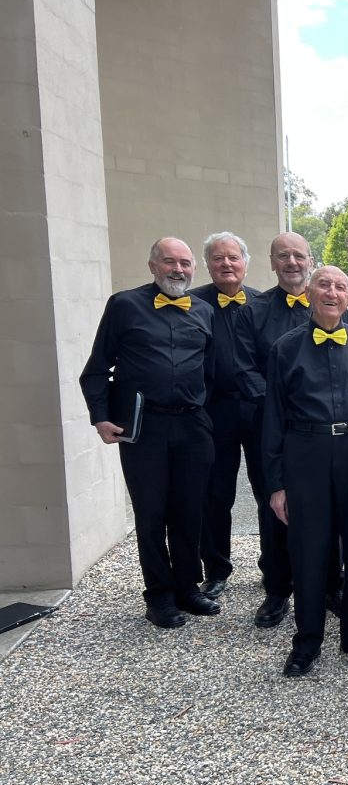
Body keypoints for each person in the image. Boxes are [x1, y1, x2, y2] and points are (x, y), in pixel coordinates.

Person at [262, 266, 348, 676]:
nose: (332, 292)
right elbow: (273, 419)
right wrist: (276, 484)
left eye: (341, 287)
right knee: (309, 553)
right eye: (324, 285)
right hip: (307, 455)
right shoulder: (284, 349)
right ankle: (306, 642)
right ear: (309, 292)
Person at [79, 237, 219, 628]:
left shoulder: (204, 311)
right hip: (144, 427)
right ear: (152, 265)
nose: (178, 269)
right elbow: (95, 369)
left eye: (185, 263)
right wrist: (100, 416)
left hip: (193, 425)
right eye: (170, 262)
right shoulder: (124, 305)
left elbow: (209, 371)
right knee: (152, 512)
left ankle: (188, 587)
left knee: (191, 510)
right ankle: (159, 595)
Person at [234, 233, 348, 628]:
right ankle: (277, 588)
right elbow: (243, 367)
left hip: (324, 435)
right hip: (273, 427)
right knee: (277, 506)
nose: (291, 262)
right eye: (282, 256)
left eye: (298, 256)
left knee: (330, 507)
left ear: (309, 261)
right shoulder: (254, 310)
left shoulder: (330, 304)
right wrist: (282, 405)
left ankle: (330, 584)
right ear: (271, 262)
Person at [190, 232, 262, 599]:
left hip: (259, 410)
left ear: (245, 262)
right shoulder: (191, 304)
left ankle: (275, 567)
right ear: (208, 264)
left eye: (233, 257)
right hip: (214, 411)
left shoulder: (263, 304)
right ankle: (216, 568)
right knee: (216, 494)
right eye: (218, 258)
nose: (227, 264)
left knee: (269, 490)